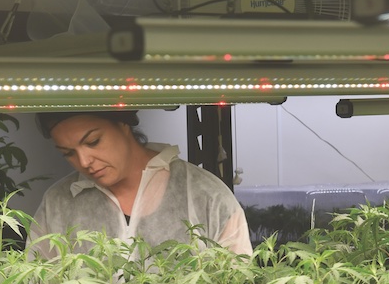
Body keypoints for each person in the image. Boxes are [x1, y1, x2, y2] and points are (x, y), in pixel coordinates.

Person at [27, 110, 252, 259]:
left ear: (123, 124)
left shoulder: (205, 194)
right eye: (68, 153)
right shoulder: (58, 202)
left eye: (93, 142)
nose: (84, 162)